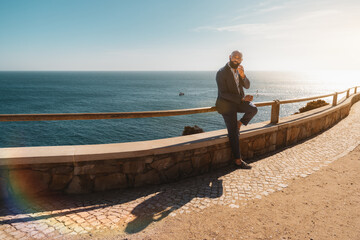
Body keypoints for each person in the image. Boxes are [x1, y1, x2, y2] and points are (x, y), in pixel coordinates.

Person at [215, 50, 258, 169]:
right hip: (226, 104)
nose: (236, 60)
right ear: (229, 57)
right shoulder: (221, 72)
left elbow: (247, 85)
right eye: (234, 57)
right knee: (233, 132)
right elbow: (223, 93)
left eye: (239, 58)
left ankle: (240, 123)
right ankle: (238, 160)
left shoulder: (240, 71)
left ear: (241, 60)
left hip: (238, 102)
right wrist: (242, 98)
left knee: (253, 109)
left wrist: (243, 75)